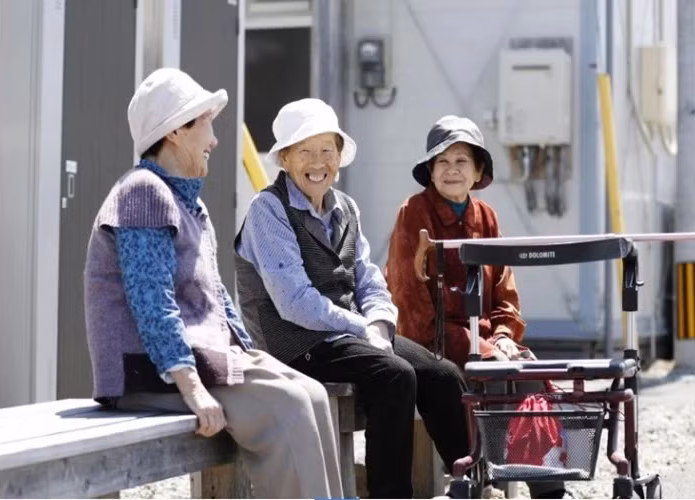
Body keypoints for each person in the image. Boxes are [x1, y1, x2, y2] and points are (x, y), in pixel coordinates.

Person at [83, 68, 342, 499]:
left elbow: (214, 294)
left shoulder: (189, 203)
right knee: (290, 407)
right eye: (206, 123)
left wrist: (248, 352)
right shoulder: (143, 194)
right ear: (176, 131)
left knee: (312, 393)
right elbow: (154, 305)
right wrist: (195, 391)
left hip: (194, 359)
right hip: (146, 372)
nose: (215, 139)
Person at [234, 98, 470, 499]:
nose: (318, 161)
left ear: (340, 157)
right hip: (293, 345)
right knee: (394, 375)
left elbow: (369, 280)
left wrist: (379, 319)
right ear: (285, 159)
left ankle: (472, 482)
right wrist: (364, 326)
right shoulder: (267, 210)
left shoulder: (345, 207)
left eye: (327, 150)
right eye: (305, 151)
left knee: (443, 375)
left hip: (350, 335)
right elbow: (295, 303)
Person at [385, 115, 571, 499]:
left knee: (530, 369)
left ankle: (548, 488)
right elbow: (409, 298)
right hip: (431, 338)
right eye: (442, 162)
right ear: (430, 171)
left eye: (461, 161)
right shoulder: (413, 213)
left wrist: (502, 336)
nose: (452, 170)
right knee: (495, 369)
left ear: (478, 171)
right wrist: (479, 344)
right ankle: (488, 479)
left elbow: (506, 293)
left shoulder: (487, 217)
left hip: (485, 338)